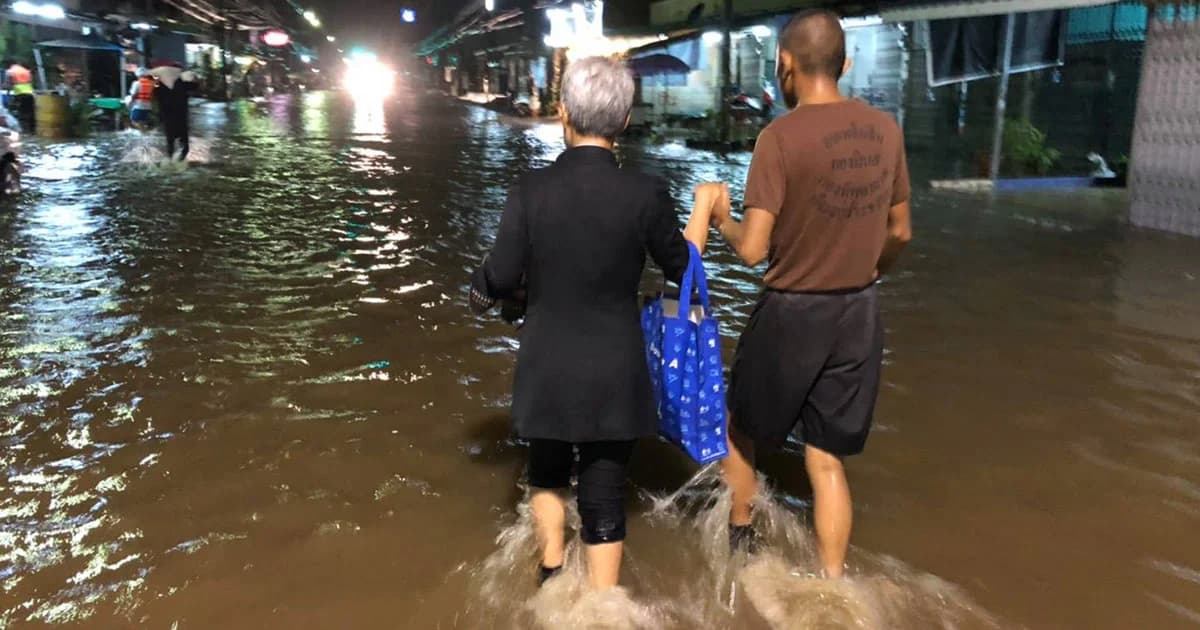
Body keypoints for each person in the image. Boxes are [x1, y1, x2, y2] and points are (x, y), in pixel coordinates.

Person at [468, 56, 717, 589]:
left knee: (548, 472)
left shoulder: (530, 191)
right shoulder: (646, 194)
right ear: (624, 121)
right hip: (616, 368)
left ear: (564, 115)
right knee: (605, 491)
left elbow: (501, 273)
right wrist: (703, 209)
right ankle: (604, 607)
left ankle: (552, 574)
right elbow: (684, 268)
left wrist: (482, 286)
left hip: (547, 366)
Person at [704, 9, 912, 579]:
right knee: (826, 460)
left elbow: (751, 250)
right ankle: (832, 584)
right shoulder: (887, 131)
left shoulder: (779, 138)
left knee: (740, 432)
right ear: (845, 64)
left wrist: (721, 217)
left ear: (784, 65)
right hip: (860, 312)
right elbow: (901, 232)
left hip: (793, 312)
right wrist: (868, 272)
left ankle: (741, 545)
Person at [149, 63, 197, 160]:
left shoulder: (160, 84)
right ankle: (180, 161)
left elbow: (155, 92)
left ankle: (172, 162)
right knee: (184, 145)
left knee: (170, 143)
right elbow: (196, 86)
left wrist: (156, 78)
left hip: (168, 117)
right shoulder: (182, 82)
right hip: (180, 116)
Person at [4, 59, 35, 132]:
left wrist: (8, 93)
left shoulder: (10, 71)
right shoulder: (25, 70)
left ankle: (24, 132)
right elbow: (30, 82)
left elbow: (8, 84)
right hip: (30, 93)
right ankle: (32, 131)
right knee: (30, 113)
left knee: (22, 114)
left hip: (19, 94)